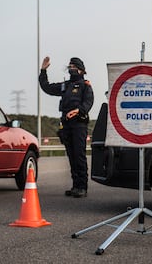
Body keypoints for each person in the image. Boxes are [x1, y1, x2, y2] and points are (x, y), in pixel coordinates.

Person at [39, 56, 94, 198]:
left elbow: (88, 102)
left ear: (81, 70)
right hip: (66, 125)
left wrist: (78, 111)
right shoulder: (66, 85)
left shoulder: (85, 85)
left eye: (73, 67)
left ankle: (82, 187)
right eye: (69, 66)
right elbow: (47, 88)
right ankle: (75, 186)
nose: (71, 69)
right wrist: (43, 71)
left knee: (79, 155)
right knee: (71, 156)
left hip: (79, 125)